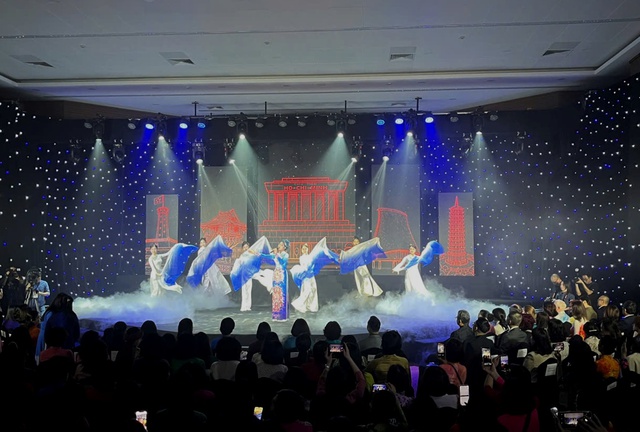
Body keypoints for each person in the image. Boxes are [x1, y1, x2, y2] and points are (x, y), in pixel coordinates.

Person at [259, 239, 290, 321]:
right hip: (276, 275)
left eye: (281, 245)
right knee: (276, 294)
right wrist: (256, 253)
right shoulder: (276, 254)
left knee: (282, 294)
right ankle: (276, 315)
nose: (279, 246)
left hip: (282, 275)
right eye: (279, 244)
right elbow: (266, 256)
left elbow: (283, 264)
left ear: (285, 247)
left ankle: (282, 316)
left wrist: (277, 254)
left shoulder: (285, 255)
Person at [291, 243, 319, 313]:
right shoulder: (302, 257)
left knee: (313, 289)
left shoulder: (310, 257)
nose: (304, 250)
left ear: (308, 249)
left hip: (311, 275)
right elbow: (304, 266)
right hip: (306, 275)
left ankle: (311, 306)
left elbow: (313, 265)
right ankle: (298, 304)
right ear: (301, 250)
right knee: (307, 290)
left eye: (305, 249)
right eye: (303, 249)